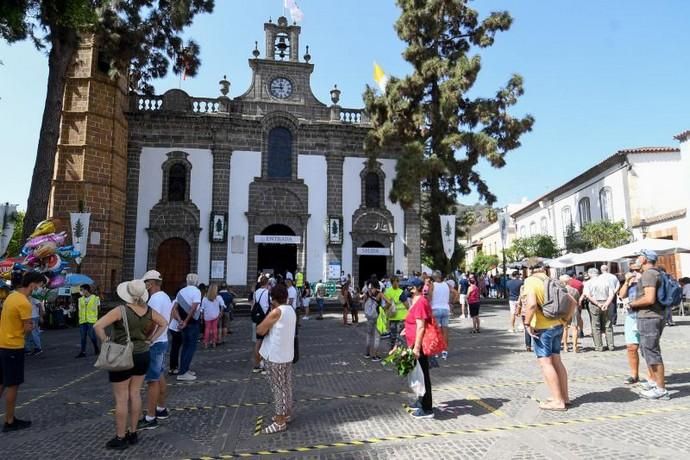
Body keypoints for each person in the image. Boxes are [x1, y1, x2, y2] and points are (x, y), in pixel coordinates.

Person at [94, 279, 168, 449]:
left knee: (121, 398)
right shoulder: (148, 310)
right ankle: (133, 433)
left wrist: (106, 341)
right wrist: (151, 339)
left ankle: (120, 437)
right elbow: (164, 322)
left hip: (122, 355)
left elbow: (98, 326)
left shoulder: (121, 310)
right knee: (135, 393)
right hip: (142, 354)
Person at [523, 260, 575, 411]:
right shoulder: (552, 280)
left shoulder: (530, 281)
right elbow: (572, 301)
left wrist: (527, 323)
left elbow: (532, 304)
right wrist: (566, 320)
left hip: (542, 328)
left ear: (529, 269)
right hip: (558, 325)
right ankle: (564, 397)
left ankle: (558, 402)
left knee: (546, 363)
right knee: (557, 361)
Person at [0, 272, 46, 432]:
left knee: (1, 383)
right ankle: (9, 421)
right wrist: (29, 328)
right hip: (13, 346)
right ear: (33, 284)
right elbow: (27, 328)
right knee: (12, 384)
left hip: (2, 345)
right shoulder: (24, 303)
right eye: (40, 285)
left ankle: (9, 419)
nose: (40, 288)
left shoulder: (11, 296)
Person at [628, 249, 669, 400]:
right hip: (653, 316)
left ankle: (661, 389)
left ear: (644, 259)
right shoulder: (657, 272)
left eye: (639, 256)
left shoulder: (649, 274)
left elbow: (649, 298)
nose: (637, 258)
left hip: (649, 317)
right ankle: (654, 381)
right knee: (647, 350)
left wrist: (633, 304)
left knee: (652, 352)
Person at [257, 284, 296, 434]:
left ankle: (280, 421)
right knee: (286, 385)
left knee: (278, 389)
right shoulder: (291, 310)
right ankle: (286, 413)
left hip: (276, 356)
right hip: (287, 355)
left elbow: (260, 329)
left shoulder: (277, 312)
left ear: (273, 298)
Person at [138, 270, 174, 431]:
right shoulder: (165, 297)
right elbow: (170, 316)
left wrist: (146, 338)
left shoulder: (154, 300)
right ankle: (161, 408)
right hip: (163, 339)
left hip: (154, 343)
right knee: (159, 376)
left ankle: (150, 417)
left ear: (150, 283)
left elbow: (151, 322)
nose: (144, 286)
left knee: (152, 381)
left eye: (145, 283)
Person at [399, 277, 434, 419]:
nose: (406, 289)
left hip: (419, 345)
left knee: (423, 375)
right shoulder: (416, 301)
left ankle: (427, 408)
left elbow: (421, 327)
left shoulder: (420, 302)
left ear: (414, 288)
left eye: (408, 287)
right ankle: (421, 401)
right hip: (412, 341)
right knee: (418, 375)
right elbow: (414, 322)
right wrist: (406, 329)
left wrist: (417, 348)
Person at [618, 264, 645, 385]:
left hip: (645, 316)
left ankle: (653, 376)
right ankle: (634, 375)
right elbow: (621, 295)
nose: (635, 273)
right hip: (631, 316)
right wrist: (627, 281)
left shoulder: (648, 280)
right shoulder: (631, 284)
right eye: (632, 270)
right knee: (631, 347)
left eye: (637, 270)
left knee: (647, 349)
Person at [580, 268, 615, 351]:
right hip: (607, 302)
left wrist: (598, 304)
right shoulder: (607, 281)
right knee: (608, 324)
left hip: (594, 304)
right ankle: (611, 345)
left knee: (596, 326)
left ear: (589, 274)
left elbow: (588, 295)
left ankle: (599, 346)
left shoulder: (588, 283)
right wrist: (606, 303)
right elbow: (611, 294)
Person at [175, 273, 202, 381]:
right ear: (196, 281)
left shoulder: (181, 291)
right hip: (192, 323)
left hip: (184, 323)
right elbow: (194, 307)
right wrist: (185, 321)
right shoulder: (196, 291)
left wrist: (180, 320)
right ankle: (183, 372)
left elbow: (174, 308)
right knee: (190, 348)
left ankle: (185, 368)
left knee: (185, 347)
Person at [428, 270, 450, 360]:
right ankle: (444, 352)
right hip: (445, 308)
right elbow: (456, 293)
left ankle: (436, 351)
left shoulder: (432, 285)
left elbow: (429, 297)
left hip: (435, 309)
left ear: (433, 277)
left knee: (436, 331)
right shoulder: (446, 284)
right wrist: (450, 302)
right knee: (445, 331)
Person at [75, 284, 100, 358]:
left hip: (91, 320)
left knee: (92, 336)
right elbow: (79, 310)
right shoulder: (80, 299)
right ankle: (83, 352)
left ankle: (96, 347)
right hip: (82, 320)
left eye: (81, 290)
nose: (80, 291)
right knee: (83, 337)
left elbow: (98, 308)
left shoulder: (95, 298)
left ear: (86, 290)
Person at [252, 276, 271, 373]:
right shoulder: (267, 292)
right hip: (265, 319)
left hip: (257, 319)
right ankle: (264, 366)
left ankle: (256, 365)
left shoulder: (256, 292)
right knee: (266, 343)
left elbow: (253, 304)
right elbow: (270, 305)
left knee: (258, 342)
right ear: (267, 283)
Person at [362, 280, 384, 361]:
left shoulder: (367, 293)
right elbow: (386, 303)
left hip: (369, 317)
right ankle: (375, 356)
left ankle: (367, 353)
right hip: (377, 316)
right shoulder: (379, 293)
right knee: (377, 336)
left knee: (368, 335)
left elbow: (363, 302)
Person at [559, 275, 581, 352]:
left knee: (565, 328)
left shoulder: (560, 290)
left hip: (564, 310)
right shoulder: (575, 290)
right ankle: (575, 347)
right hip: (574, 310)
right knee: (574, 328)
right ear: (569, 281)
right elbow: (578, 301)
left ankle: (565, 346)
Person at [383, 277, 407, 348]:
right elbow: (407, 305)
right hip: (402, 317)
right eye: (396, 282)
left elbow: (387, 304)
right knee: (400, 335)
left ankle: (392, 350)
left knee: (393, 336)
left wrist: (384, 310)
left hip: (392, 316)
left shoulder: (387, 291)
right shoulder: (401, 292)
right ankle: (398, 351)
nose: (396, 283)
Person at [201, 283, 224, 348]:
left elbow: (202, 308)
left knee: (207, 329)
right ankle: (214, 342)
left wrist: (202, 315)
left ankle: (206, 343)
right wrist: (221, 312)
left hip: (207, 316)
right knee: (214, 329)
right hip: (215, 315)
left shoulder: (205, 298)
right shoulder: (218, 297)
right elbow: (222, 305)